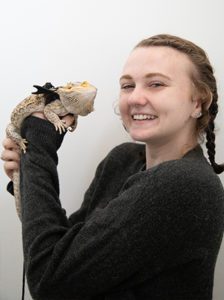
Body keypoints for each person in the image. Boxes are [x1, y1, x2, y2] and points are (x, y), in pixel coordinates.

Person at [1, 34, 224, 300]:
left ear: (198, 102)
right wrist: (29, 176)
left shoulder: (185, 184)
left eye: (156, 84)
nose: (135, 98)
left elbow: (50, 281)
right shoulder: (123, 159)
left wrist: (37, 149)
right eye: (127, 86)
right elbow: (64, 249)